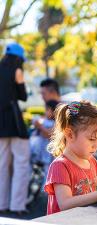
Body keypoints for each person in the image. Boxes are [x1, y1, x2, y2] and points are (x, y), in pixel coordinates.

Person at [0, 43, 30, 214]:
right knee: (21, 163)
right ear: (19, 58)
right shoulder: (17, 71)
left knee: (2, 164)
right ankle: (17, 205)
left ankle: (1, 204)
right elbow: (23, 96)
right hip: (14, 122)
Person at [30, 100, 59, 181]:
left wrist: (40, 127)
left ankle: (45, 188)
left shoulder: (55, 123)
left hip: (48, 152)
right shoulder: (43, 120)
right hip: (39, 149)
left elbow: (48, 134)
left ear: (54, 112)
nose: (45, 112)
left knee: (48, 169)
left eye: (47, 110)